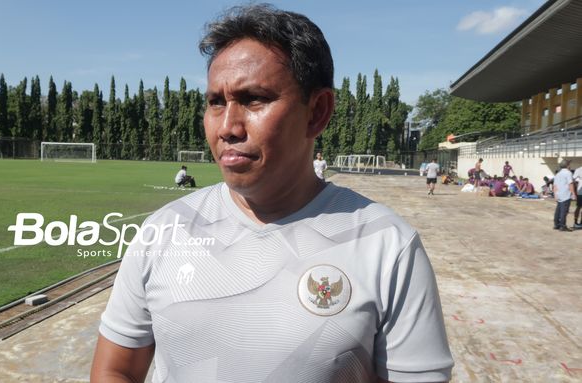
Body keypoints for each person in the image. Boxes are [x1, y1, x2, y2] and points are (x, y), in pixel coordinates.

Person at [92, 5, 453, 383]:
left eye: (253, 99)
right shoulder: (163, 230)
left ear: (317, 112)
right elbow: (115, 370)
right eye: (216, 102)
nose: (228, 127)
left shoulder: (387, 246)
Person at [553, 160, 576, 231]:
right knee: (564, 211)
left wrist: (555, 195)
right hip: (565, 194)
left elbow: (555, 185)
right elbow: (570, 184)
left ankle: (556, 224)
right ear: (567, 165)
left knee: (558, 210)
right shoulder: (568, 173)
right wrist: (573, 193)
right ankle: (562, 226)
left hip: (559, 194)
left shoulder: (558, 174)